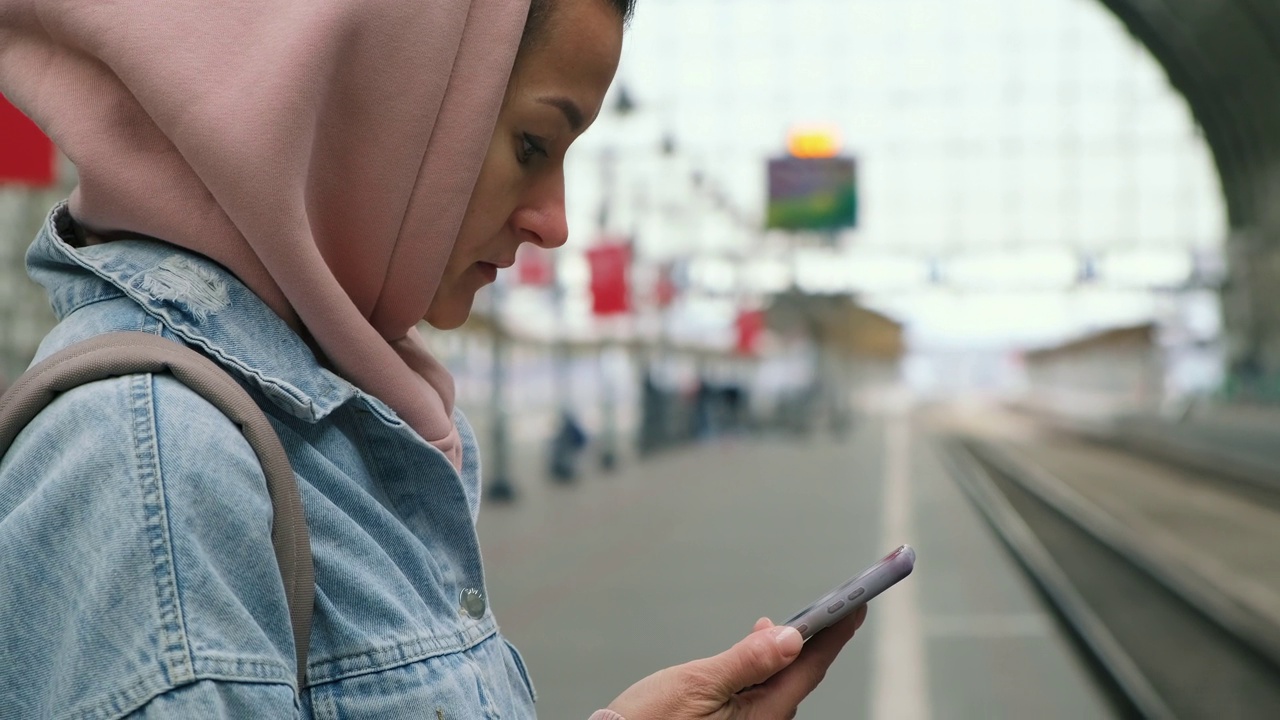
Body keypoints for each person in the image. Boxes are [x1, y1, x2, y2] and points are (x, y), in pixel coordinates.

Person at [0, 0, 866, 717]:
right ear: (368, 101)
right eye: (533, 145)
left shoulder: (330, 421)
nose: (555, 222)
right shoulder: (157, 463)